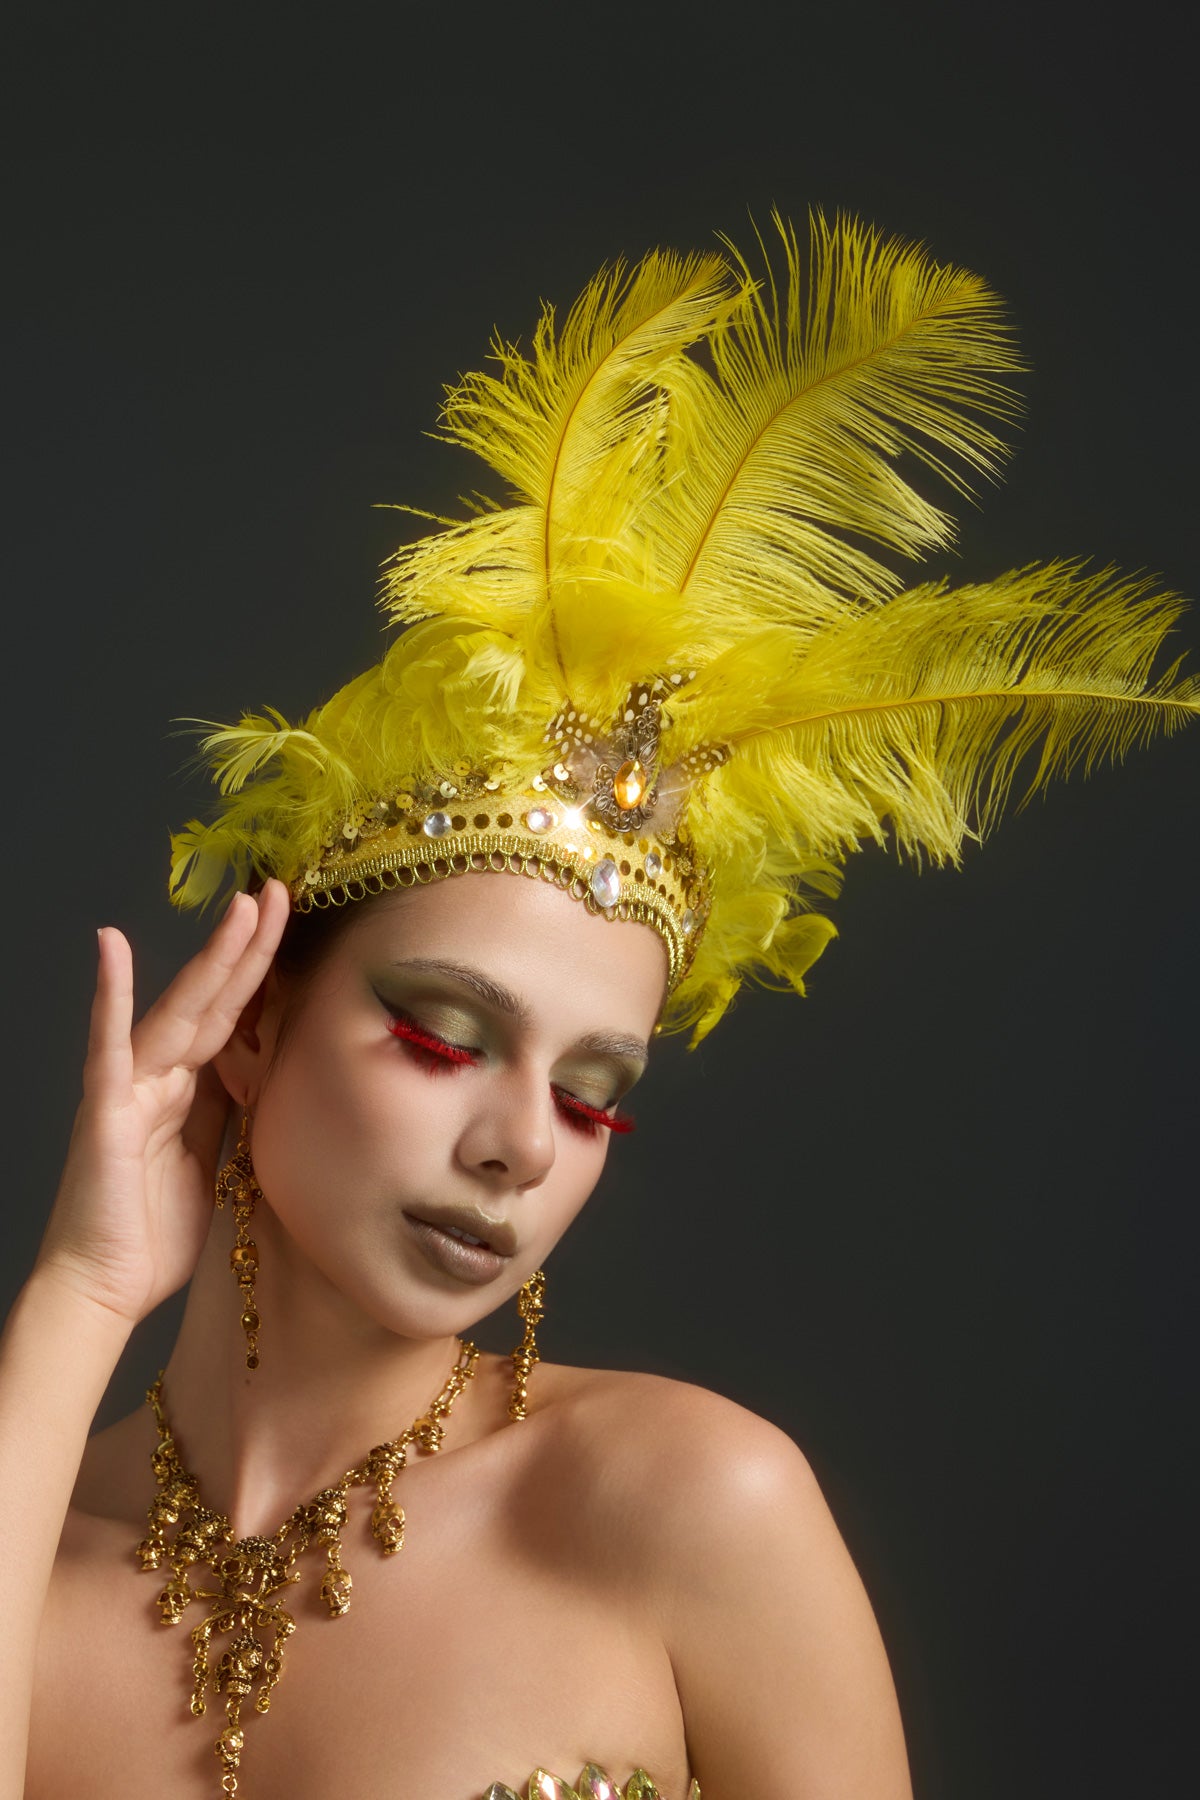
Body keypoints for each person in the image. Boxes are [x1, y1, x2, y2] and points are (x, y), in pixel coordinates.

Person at [3, 215, 1195, 1800]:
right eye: (442, 1038)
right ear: (254, 1025)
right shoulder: (33, 1545)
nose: (518, 1147)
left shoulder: (686, 1509)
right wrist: (80, 1298)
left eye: (591, 1096)